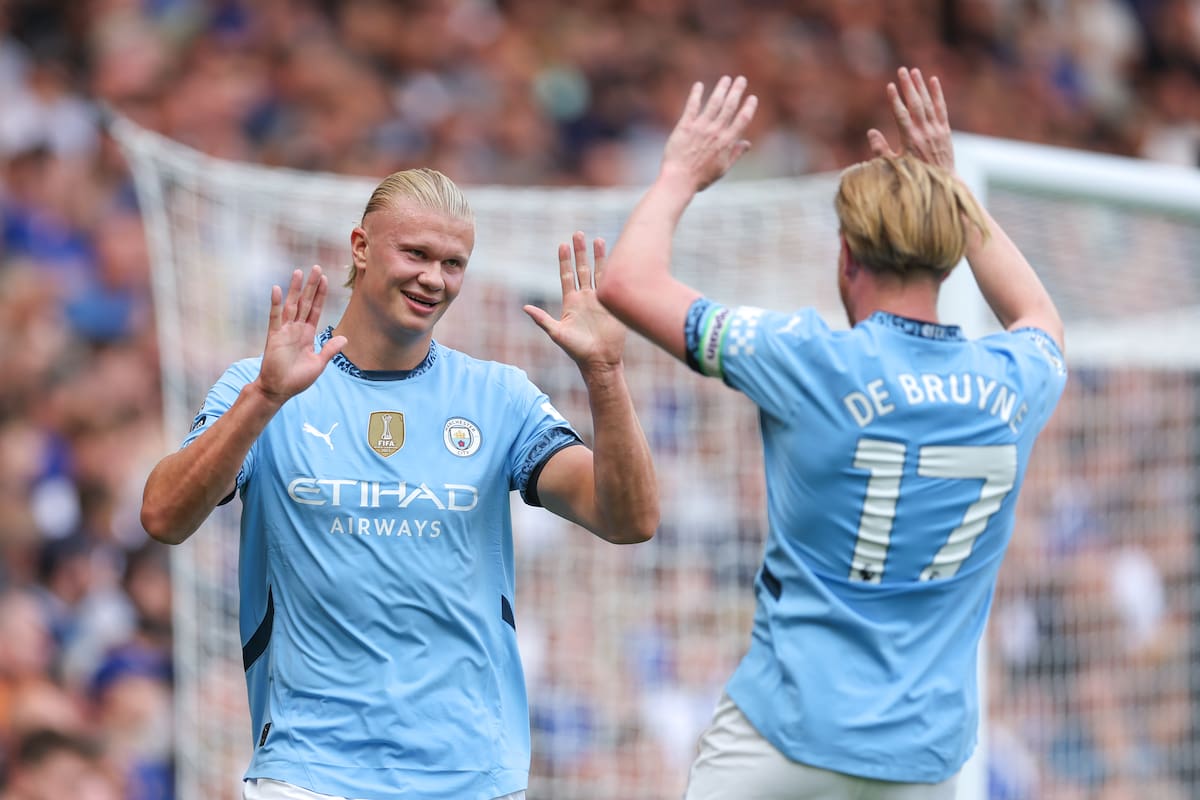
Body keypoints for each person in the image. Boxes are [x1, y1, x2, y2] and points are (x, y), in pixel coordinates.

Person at [597, 67, 1067, 798]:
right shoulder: (1015, 381)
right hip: (923, 758)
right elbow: (1039, 314)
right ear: (950, 254)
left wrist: (679, 175)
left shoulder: (807, 358)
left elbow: (625, 282)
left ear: (846, 255)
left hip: (784, 736)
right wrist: (949, 189)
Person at [139, 168, 659, 800]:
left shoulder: (500, 398)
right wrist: (265, 399)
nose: (434, 279)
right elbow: (164, 516)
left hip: (471, 776)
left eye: (453, 263)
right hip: (310, 772)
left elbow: (629, 520)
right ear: (361, 246)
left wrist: (604, 372)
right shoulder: (263, 385)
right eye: (415, 253)